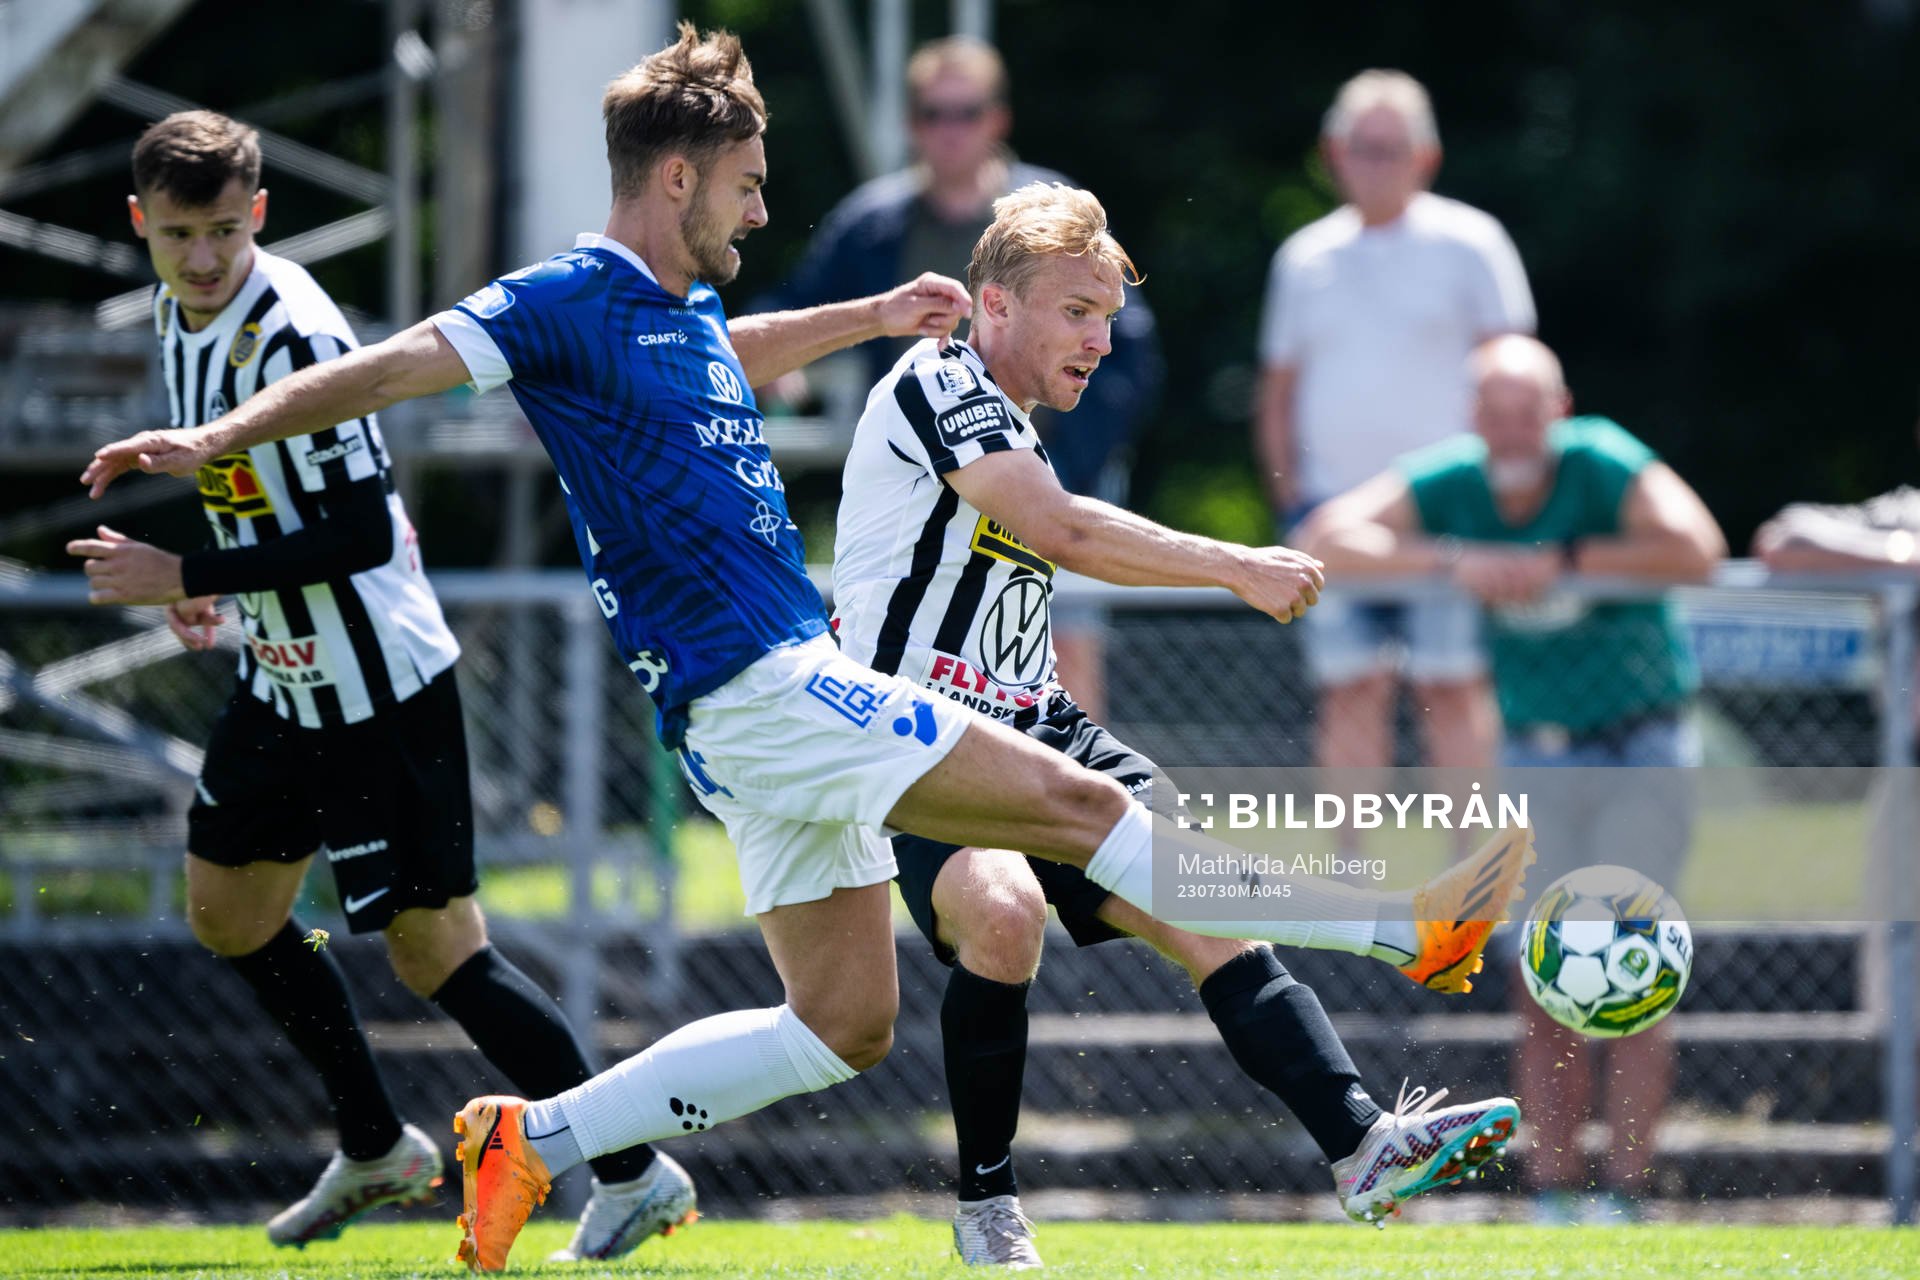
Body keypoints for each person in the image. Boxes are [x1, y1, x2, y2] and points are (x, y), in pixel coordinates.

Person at [81, 29, 1532, 1273]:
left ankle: (534, 1138)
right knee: (1090, 818)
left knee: (839, 1021)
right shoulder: (566, 302)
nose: (763, 209)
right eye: (751, 186)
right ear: (677, 178)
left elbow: (734, 350)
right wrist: (221, 436)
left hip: (741, 713)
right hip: (766, 678)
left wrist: (867, 316)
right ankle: (1412, 923)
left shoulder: (676, 315)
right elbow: (393, 363)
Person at [834, 180, 1533, 1266]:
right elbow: (1060, 528)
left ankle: (1361, 1143)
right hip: (917, 734)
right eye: (1077, 311)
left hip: (1040, 724)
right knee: (1005, 911)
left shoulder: (1012, 419)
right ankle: (985, 1205)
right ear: (994, 304)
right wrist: (1232, 563)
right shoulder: (939, 379)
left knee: (1208, 904)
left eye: (1108, 316)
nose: (1100, 340)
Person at [64, 110, 696, 1262]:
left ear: (259, 213)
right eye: (175, 236)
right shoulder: (174, 310)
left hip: (379, 684)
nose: (200, 259)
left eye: (219, 232)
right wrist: (221, 590)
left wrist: (185, 569)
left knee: (438, 949)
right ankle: (376, 1145)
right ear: (139, 226)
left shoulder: (294, 331)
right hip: (284, 666)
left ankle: (635, 1166)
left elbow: (356, 530)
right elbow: (263, 494)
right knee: (229, 910)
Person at [1298, 334, 1727, 1222]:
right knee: (1538, 974)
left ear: (1558, 408)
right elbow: (1326, 538)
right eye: (1492, 410)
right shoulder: (1454, 481)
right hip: (1532, 750)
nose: (1509, 425)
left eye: (1525, 408)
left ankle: (1628, 1193)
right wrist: (1457, 562)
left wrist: (1562, 565)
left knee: (1636, 971)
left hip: (1638, 743)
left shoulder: (1604, 461)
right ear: (1473, 418)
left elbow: (1697, 547)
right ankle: (1554, 1190)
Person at [764, 35, 1164, 718]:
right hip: (924, 498)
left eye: (967, 112)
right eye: (933, 113)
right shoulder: (871, 223)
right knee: (923, 677)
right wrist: (784, 370)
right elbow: (794, 306)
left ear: (997, 119)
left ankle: (1069, 809)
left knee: (1060, 671)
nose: (950, 130)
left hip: (1053, 476)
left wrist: (1061, 454)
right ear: (911, 123)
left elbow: (1129, 352)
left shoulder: (1051, 218)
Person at [1254, 70, 1535, 795]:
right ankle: (1351, 887)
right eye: (1363, 147)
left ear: (1426, 157)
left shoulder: (1474, 243)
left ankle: (1473, 894)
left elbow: (1517, 377)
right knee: (1351, 692)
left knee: (1454, 690)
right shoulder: (1304, 258)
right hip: (1332, 515)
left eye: (1392, 148)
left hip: (1451, 517)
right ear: (1334, 152)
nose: (1377, 163)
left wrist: (1509, 497)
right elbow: (1277, 393)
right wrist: (1291, 506)